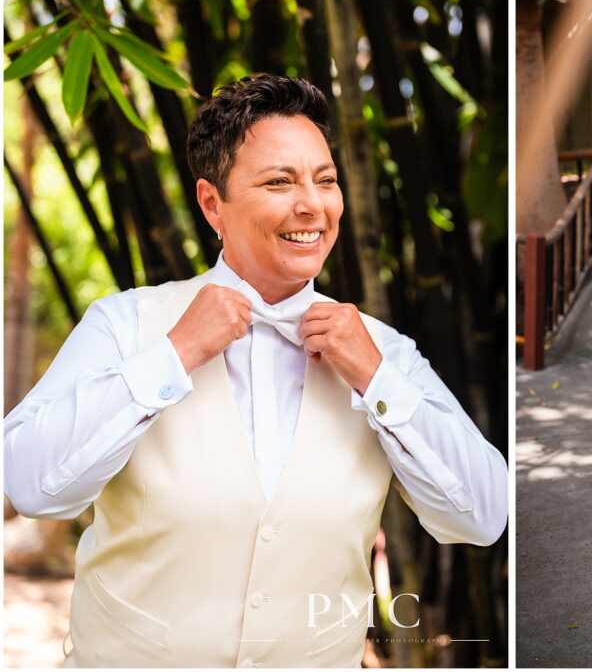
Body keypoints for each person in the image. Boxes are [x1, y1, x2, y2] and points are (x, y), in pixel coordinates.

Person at [4, 75, 508, 666]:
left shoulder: (383, 351)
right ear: (212, 203)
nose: (312, 205)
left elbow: (482, 516)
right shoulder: (126, 325)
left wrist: (378, 381)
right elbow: (28, 481)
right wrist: (174, 355)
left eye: (326, 180)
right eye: (279, 182)